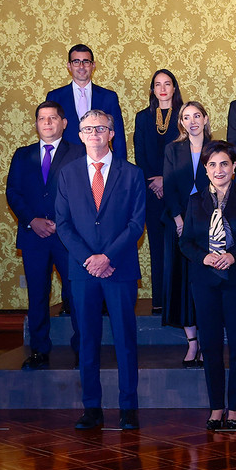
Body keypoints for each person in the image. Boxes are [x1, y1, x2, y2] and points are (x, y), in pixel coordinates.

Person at [55, 109, 146, 430]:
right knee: (87, 340)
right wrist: (89, 259)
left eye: (100, 128)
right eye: (87, 129)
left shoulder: (132, 174)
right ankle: (91, 407)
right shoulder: (66, 174)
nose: (94, 133)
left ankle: (128, 407)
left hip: (119, 269)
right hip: (82, 272)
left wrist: (107, 257)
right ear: (79, 135)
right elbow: (63, 225)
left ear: (111, 134)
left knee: (125, 339)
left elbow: (136, 224)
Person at [179, 140, 236, 431]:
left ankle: (235, 409)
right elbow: (185, 242)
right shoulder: (194, 202)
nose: (219, 170)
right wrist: (205, 258)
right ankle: (216, 407)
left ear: (234, 167)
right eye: (212, 164)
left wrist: (233, 255)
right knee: (212, 347)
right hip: (205, 284)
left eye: (224, 164)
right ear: (205, 169)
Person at [5, 100, 83, 370]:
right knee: (37, 294)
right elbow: (13, 192)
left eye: (52, 118)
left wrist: (62, 224)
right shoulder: (22, 155)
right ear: (36, 123)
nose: (47, 123)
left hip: (68, 237)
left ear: (64, 123)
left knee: (75, 294)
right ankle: (39, 350)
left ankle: (82, 350)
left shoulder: (79, 152)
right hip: (33, 235)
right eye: (41, 118)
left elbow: (84, 194)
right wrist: (32, 220)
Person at [161, 101, 211, 367]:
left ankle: (208, 340)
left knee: (205, 283)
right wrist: (178, 218)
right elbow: (168, 185)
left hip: (209, 226)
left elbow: (224, 183)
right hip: (178, 224)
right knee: (182, 283)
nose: (192, 121)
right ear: (181, 122)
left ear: (205, 119)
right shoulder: (173, 149)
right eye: (186, 117)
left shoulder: (216, 148)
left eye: (196, 116)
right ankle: (192, 343)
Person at [133, 69, 182, 314]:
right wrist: (154, 181)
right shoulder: (143, 118)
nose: (162, 88)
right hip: (151, 192)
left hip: (178, 191)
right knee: (157, 246)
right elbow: (139, 154)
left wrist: (166, 179)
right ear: (152, 89)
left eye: (167, 84)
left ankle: (180, 300)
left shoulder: (185, 115)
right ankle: (159, 301)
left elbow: (188, 153)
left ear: (174, 88)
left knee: (179, 246)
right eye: (157, 84)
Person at [45, 44, 126, 158]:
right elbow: (49, 135)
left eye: (86, 61)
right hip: (64, 164)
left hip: (100, 163)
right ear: (69, 66)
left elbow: (118, 138)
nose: (81, 66)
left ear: (93, 65)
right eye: (76, 61)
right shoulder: (55, 97)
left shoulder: (109, 97)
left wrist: (120, 168)